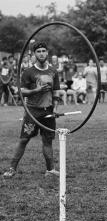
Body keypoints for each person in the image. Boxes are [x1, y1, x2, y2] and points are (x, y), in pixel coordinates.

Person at [3, 41, 61, 178]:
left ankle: (50, 170)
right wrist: (37, 90)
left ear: (47, 53)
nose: (41, 53)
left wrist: (55, 109)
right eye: (38, 51)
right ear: (35, 54)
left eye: (43, 51)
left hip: (49, 112)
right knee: (24, 139)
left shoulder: (53, 71)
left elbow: (56, 92)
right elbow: (21, 92)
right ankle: (12, 169)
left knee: (47, 141)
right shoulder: (29, 72)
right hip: (33, 111)